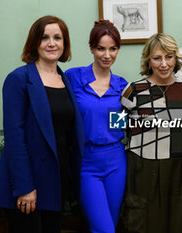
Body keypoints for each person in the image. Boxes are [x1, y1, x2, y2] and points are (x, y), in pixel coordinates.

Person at [0, 15, 84, 233]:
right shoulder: (18, 79)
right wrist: (25, 187)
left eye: (58, 38)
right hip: (29, 183)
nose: (52, 43)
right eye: (45, 38)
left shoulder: (65, 79)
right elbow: (14, 137)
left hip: (57, 178)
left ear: (65, 43)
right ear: (34, 42)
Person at [121, 33, 182, 233]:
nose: (164, 64)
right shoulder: (133, 90)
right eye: (157, 58)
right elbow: (116, 125)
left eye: (169, 57)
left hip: (175, 165)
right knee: (140, 218)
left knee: (175, 218)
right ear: (148, 61)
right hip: (141, 164)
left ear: (175, 59)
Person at [65, 20, 127, 233]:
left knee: (111, 224)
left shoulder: (122, 86)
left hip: (116, 160)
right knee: (103, 229)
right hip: (86, 162)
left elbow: (120, 124)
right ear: (91, 48)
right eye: (101, 48)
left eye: (113, 49)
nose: (107, 55)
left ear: (118, 49)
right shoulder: (73, 78)